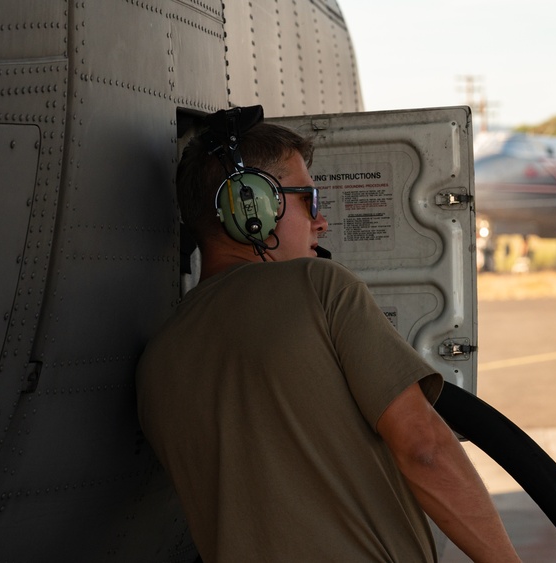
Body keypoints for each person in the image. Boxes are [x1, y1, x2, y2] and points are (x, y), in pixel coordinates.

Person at [136, 106, 519, 562]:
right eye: (308, 201)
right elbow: (425, 449)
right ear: (252, 206)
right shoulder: (317, 286)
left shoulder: (158, 361)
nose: (322, 222)